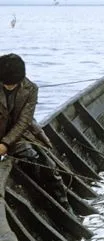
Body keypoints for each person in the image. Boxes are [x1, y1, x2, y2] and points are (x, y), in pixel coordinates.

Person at [0, 53, 75, 215]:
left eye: (12, 84)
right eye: (5, 84)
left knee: (46, 164)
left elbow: (24, 121)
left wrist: (5, 144)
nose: (8, 87)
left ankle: (62, 206)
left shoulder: (31, 89)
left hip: (21, 134)